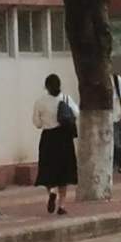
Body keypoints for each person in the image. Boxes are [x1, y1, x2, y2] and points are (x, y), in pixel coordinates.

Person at [32, 73, 78, 215]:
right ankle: (62, 206)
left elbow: (37, 123)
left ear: (46, 86)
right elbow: (76, 113)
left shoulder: (40, 101)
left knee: (48, 170)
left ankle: (52, 191)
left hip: (48, 138)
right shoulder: (66, 99)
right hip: (64, 138)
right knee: (64, 172)